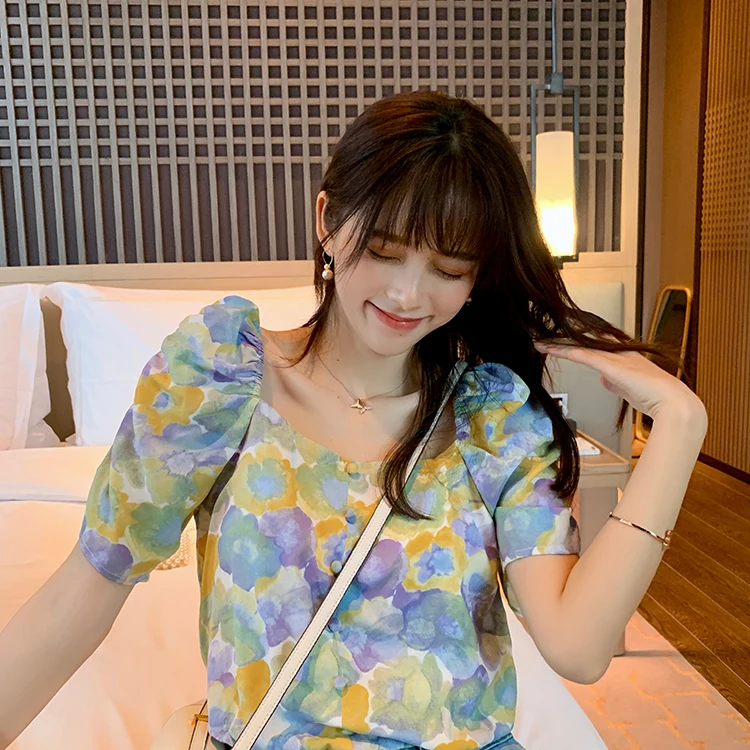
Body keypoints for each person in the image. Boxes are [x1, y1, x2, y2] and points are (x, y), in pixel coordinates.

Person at [0, 90, 707, 750]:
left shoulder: (491, 419)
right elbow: (79, 597)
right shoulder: (218, 378)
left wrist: (680, 423)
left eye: (449, 269)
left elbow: (579, 649)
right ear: (328, 222)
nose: (408, 294)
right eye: (385, 251)